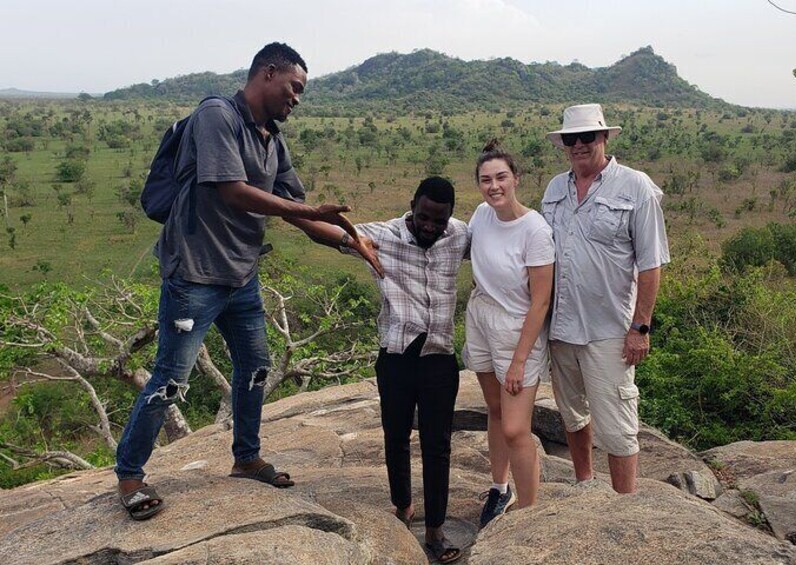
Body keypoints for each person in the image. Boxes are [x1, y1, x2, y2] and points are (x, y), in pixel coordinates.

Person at [114, 42, 379, 521]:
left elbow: (305, 218)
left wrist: (349, 243)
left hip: (241, 275)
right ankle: (130, 475)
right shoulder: (217, 115)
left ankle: (246, 457)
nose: (296, 99)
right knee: (172, 378)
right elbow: (232, 192)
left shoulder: (272, 141)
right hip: (194, 273)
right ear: (268, 73)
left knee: (255, 367)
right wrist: (305, 210)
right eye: (294, 88)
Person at [307, 177, 465, 563]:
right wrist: (327, 225)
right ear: (412, 205)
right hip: (396, 354)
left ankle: (436, 530)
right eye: (424, 217)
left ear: (450, 218)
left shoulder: (460, 235)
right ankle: (403, 507)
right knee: (396, 436)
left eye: (438, 221)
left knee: (437, 444)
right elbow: (321, 232)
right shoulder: (383, 235)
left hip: (439, 356)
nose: (430, 226)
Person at [541, 103, 670, 494]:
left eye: (587, 137)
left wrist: (640, 328)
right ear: (563, 144)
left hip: (609, 329)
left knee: (617, 424)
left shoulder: (635, 187)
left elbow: (651, 264)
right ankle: (584, 482)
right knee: (573, 414)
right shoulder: (553, 188)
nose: (578, 145)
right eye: (570, 138)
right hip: (561, 327)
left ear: (603, 138)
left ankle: (623, 504)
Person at [463, 140, 554, 527]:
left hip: (517, 329)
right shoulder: (481, 216)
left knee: (517, 427)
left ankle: (529, 515)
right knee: (496, 411)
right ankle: (499, 489)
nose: (494, 186)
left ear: (516, 179)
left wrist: (519, 360)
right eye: (486, 179)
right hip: (481, 317)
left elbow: (540, 302)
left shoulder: (534, 230)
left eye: (501, 177)